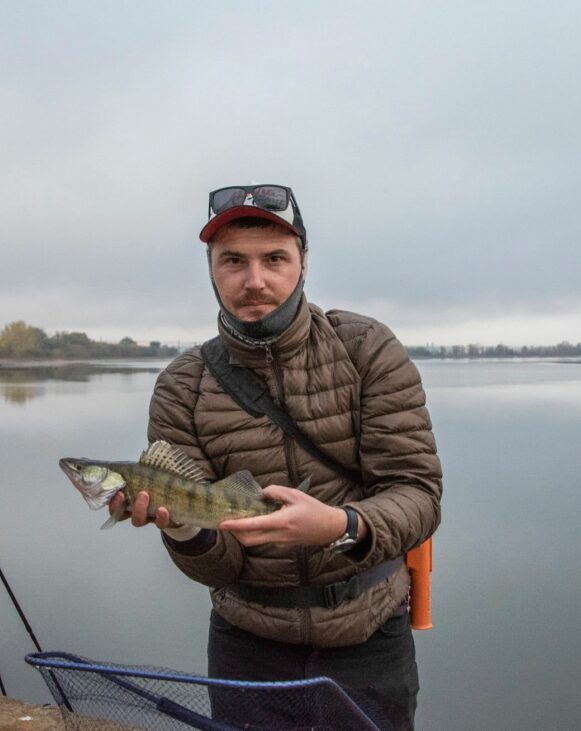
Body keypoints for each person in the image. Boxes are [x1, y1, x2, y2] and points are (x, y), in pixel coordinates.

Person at [109, 184, 442, 730]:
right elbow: (219, 563)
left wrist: (340, 524)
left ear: (303, 263)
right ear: (211, 268)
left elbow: (418, 494)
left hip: (370, 635)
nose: (255, 280)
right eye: (233, 260)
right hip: (248, 644)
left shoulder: (366, 349)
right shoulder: (181, 386)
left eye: (275, 259)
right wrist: (185, 531)